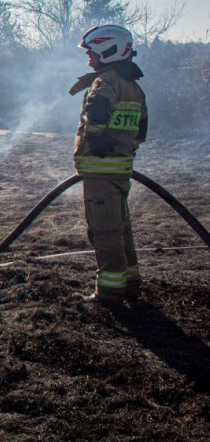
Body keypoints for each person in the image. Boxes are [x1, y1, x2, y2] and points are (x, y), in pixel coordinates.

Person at [69, 24, 148, 307]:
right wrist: (123, 151)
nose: (88, 58)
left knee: (105, 233)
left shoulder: (107, 82)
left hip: (100, 172)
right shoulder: (133, 86)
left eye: (91, 52)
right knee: (121, 229)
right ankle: (130, 283)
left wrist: (97, 138)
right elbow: (141, 130)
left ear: (107, 50)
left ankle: (110, 294)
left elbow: (97, 111)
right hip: (120, 170)